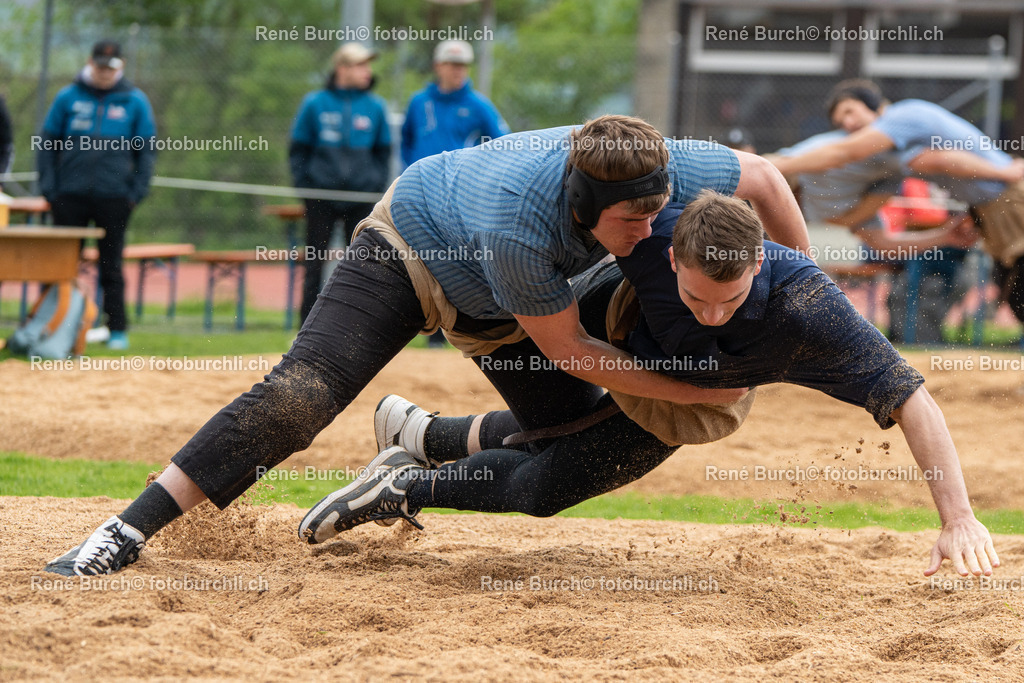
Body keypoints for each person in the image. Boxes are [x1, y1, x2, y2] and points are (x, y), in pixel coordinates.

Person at [44, 114, 810, 577]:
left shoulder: (652, 168)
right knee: (303, 393)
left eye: (656, 214)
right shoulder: (520, 226)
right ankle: (123, 531)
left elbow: (769, 181)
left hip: (504, 300)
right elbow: (574, 349)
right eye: (629, 225)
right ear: (582, 206)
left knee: (584, 439)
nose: (648, 236)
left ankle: (417, 442)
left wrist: (795, 299)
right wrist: (706, 390)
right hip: (411, 249)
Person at [308, 191, 999, 579]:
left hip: (696, 395)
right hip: (608, 325)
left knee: (546, 487)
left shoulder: (809, 311)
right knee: (551, 437)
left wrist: (957, 516)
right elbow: (580, 181)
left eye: (729, 299)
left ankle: (418, 448)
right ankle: (406, 478)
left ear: (758, 262)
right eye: (697, 297)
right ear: (670, 256)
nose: (712, 311)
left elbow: (913, 396)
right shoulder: (651, 230)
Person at [772, 79, 1024, 327]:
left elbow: (939, 160)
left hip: (1008, 196)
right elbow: (881, 241)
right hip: (994, 205)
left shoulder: (899, 119)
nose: (848, 124)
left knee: (1017, 289)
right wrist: (944, 236)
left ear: (873, 103)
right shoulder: (889, 159)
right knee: (1012, 287)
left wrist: (1004, 173)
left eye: (850, 111)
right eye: (840, 122)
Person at [37, 40, 157, 350]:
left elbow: (146, 151)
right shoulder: (68, 97)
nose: (104, 73)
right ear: (91, 63)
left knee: (111, 266)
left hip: (114, 198)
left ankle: (116, 329)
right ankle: (48, 327)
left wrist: (135, 193)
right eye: (100, 67)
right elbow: (47, 145)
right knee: (60, 264)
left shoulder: (135, 101)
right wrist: (50, 189)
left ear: (121, 66)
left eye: (110, 68)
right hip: (69, 196)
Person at [401, 39, 510, 347]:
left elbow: (503, 144)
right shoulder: (418, 102)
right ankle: (425, 330)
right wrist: (410, 169)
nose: (458, 70)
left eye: (463, 65)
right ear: (438, 66)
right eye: (452, 64)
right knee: (418, 260)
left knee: (452, 262)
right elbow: (407, 139)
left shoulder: (478, 105)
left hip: (457, 197)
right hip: (419, 194)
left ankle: (457, 331)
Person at [289, 42, 393, 324]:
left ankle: (350, 326)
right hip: (320, 197)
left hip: (360, 200)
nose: (367, 71)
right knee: (314, 262)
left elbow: (383, 153)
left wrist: (373, 187)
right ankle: (306, 328)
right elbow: (298, 149)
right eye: (360, 65)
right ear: (342, 69)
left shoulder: (375, 106)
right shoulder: (315, 103)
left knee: (360, 265)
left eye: (367, 65)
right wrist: (306, 188)